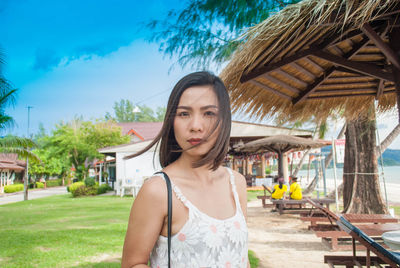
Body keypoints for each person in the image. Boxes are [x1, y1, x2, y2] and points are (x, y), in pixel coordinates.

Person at [121, 71, 249, 268]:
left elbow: (241, 256)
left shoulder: (237, 183)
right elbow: (133, 263)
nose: (195, 126)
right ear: (172, 122)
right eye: (184, 114)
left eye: (209, 113)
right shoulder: (158, 191)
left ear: (224, 120)